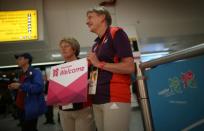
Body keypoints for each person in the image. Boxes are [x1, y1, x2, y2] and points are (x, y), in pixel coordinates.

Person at [86, 7, 135, 131]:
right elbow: (96, 71)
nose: (87, 21)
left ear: (102, 17)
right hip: (97, 99)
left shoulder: (116, 33)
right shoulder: (95, 45)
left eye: (90, 17)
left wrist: (99, 63)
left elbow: (129, 67)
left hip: (115, 96)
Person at [58, 38, 96, 131]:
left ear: (74, 49)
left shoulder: (87, 64)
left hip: (84, 109)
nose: (63, 49)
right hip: (64, 110)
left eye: (66, 46)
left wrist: (86, 84)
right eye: (61, 47)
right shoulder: (59, 70)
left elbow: (94, 85)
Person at [8, 53, 46, 131]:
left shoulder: (35, 72)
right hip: (21, 107)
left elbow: (38, 87)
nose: (17, 61)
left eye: (20, 59)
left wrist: (20, 86)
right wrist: (15, 88)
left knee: (30, 128)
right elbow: (23, 89)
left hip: (30, 107)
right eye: (17, 59)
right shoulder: (21, 74)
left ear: (27, 60)